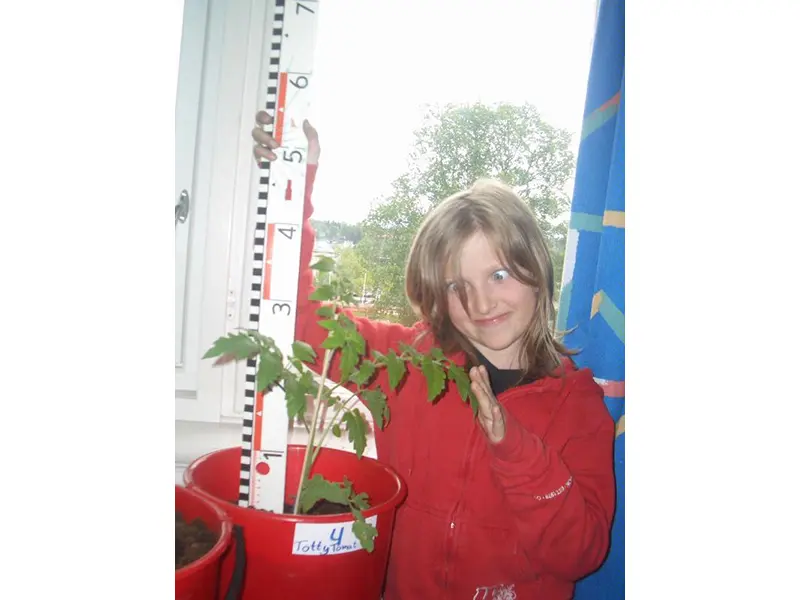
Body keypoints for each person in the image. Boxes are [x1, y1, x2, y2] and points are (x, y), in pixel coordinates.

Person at [252, 112, 615, 600]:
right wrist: (293, 184)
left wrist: (515, 448)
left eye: (499, 275)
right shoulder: (409, 365)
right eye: (456, 286)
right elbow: (302, 324)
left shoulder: (578, 404)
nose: (481, 304)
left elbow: (582, 554)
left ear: (538, 269)